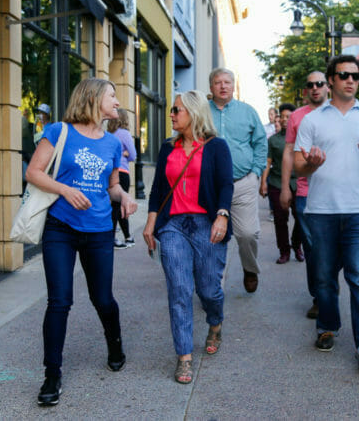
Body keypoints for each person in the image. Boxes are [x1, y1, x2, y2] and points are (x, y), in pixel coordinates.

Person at [25, 78, 137, 407]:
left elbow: (113, 186)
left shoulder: (113, 142)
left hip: (100, 228)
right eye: (112, 96)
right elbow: (33, 172)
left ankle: (114, 343)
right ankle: (52, 374)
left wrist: (125, 196)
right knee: (59, 301)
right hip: (60, 227)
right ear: (92, 99)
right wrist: (64, 189)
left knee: (102, 299)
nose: (117, 102)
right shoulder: (59, 132)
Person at [294, 55, 359, 369]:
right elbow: (298, 165)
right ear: (332, 80)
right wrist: (311, 164)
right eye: (344, 75)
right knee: (323, 277)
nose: (351, 80)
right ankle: (327, 326)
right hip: (321, 211)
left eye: (356, 75)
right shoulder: (313, 120)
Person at [143, 90, 233, 385]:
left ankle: (215, 322)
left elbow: (224, 184)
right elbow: (158, 189)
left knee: (208, 289)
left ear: (193, 113)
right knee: (180, 290)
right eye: (171, 109)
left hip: (206, 222)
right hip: (173, 226)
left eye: (176, 110)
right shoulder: (167, 148)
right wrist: (150, 222)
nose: (171, 114)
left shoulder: (216, 147)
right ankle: (184, 356)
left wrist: (222, 214)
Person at [207, 67, 267, 293]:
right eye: (218, 82)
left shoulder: (248, 112)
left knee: (247, 234)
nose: (223, 86)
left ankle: (250, 269)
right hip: (209, 186)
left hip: (242, 182)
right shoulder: (201, 112)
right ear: (211, 86)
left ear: (233, 86)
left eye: (227, 82)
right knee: (211, 234)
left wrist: (256, 172)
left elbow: (260, 142)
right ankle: (212, 284)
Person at [280, 70, 330, 319]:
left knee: (332, 248)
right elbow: (289, 151)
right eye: (310, 85)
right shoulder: (297, 117)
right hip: (304, 192)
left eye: (319, 83)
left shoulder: (338, 114)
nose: (315, 88)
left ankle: (328, 290)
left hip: (334, 192)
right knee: (312, 248)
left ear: (328, 86)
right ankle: (320, 297)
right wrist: (285, 188)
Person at [260, 102, 303, 264]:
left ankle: (297, 245)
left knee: (300, 216)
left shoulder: (301, 136)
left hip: (298, 182)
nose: (285, 120)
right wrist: (263, 182)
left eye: (289, 116)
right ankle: (284, 251)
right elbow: (268, 161)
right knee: (280, 219)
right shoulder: (273, 141)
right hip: (277, 183)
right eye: (283, 116)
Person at [108, 108, 137, 248]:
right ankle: (119, 237)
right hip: (122, 172)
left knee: (114, 206)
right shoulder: (124, 134)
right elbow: (133, 155)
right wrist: (125, 153)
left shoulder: (108, 134)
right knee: (120, 206)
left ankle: (125, 237)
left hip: (110, 172)